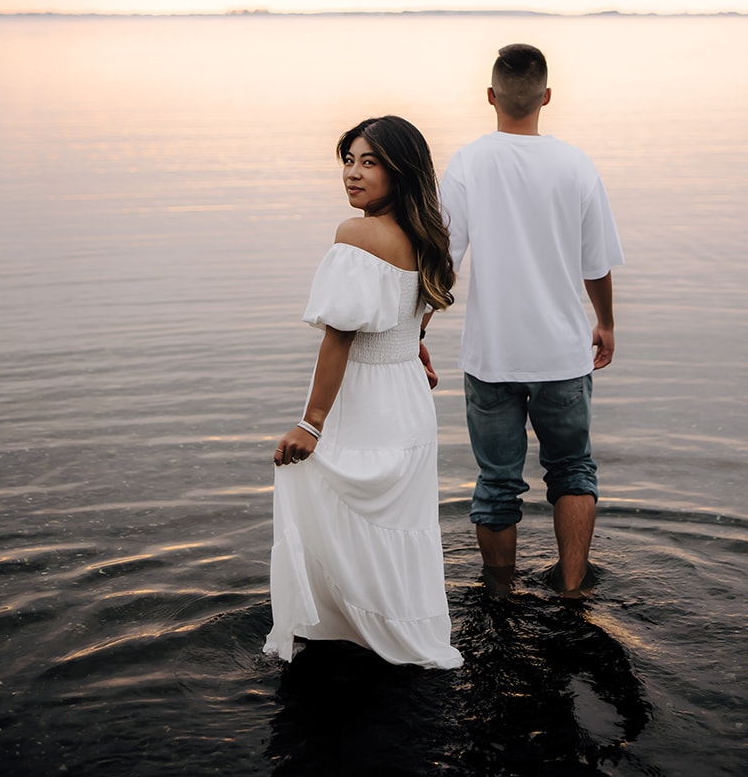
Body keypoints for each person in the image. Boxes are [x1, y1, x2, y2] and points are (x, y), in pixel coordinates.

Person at [263, 115, 462, 669]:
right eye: (348, 160)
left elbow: (340, 336)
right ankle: (399, 634)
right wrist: (414, 345)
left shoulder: (356, 236)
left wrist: (311, 422)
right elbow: (410, 311)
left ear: (400, 170)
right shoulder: (428, 234)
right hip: (406, 398)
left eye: (368, 162)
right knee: (397, 527)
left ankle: (341, 631)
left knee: (338, 512)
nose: (352, 174)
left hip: (364, 402)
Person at [437, 44, 624, 598]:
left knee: (497, 485)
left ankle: (499, 600)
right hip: (562, 355)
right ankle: (573, 591)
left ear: (490, 96)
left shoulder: (468, 162)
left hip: (492, 358)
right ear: (547, 97)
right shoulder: (576, 164)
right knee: (572, 471)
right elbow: (597, 264)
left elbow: (443, 263)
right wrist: (606, 323)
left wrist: (415, 328)